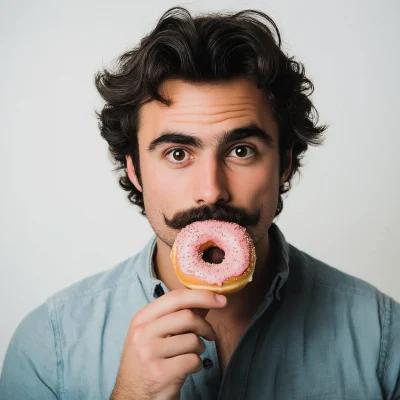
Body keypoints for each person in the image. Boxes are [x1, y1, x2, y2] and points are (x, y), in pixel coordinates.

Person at [1, 6, 399, 400]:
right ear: (135, 170)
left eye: (241, 151)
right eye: (178, 153)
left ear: (285, 163)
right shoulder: (49, 345)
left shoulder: (383, 338)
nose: (211, 191)